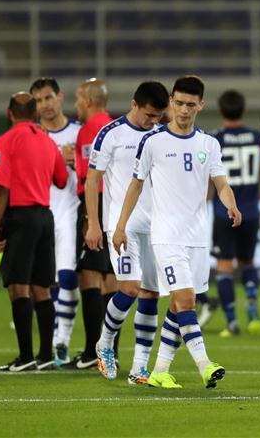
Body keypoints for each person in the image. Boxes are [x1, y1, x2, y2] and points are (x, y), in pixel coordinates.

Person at [112, 75, 237, 389]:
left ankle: (159, 370)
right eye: (179, 103)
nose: (183, 110)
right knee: (186, 300)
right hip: (166, 235)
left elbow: (221, 182)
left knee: (179, 305)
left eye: (190, 105)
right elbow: (136, 184)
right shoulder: (153, 142)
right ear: (171, 102)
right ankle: (205, 365)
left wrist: (230, 205)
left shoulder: (208, 143)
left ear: (201, 105)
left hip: (197, 237)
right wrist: (120, 225)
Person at [86, 81, 169, 384]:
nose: (153, 121)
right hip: (121, 226)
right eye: (149, 115)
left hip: (156, 226)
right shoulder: (111, 134)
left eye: (159, 116)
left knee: (151, 293)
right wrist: (93, 223)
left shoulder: (162, 134)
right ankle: (105, 342)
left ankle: (139, 367)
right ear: (135, 104)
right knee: (130, 288)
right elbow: (92, 181)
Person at [0, 92, 69, 372]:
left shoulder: (6, 140)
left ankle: (25, 358)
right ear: (35, 113)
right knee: (42, 289)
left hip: (20, 217)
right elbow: (61, 179)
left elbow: (1, 188)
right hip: (45, 217)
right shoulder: (48, 141)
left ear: (9, 113)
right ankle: (46, 355)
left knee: (18, 288)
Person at [210, 89, 260, 337]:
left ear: (220, 109)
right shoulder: (256, 138)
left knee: (224, 267)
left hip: (223, 211)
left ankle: (231, 321)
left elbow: (211, 181)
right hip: (250, 212)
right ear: (243, 109)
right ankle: (251, 300)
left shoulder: (214, 139)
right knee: (248, 262)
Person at [30, 77, 83, 364]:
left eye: (48, 98)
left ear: (60, 97)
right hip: (40, 215)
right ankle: (50, 343)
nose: (44, 105)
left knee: (67, 278)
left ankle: (62, 341)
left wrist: (75, 159)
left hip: (70, 213)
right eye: (38, 101)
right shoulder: (33, 135)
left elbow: (99, 167)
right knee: (43, 284)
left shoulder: (78, 133)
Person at [70, 78, 116, 369]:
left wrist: (90, 221)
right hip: (115, 207)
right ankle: (110, 350)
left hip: (95, 208)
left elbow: (91, 178)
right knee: (111, 278)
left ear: (87, 100)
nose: (75, 105)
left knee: (89, 277)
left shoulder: (90, 130)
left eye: (76, 99)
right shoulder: (113, 125)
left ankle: (92, 352)